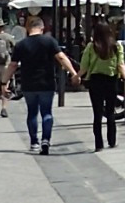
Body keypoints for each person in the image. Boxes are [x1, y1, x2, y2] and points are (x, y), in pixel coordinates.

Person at [12, 16, 78, 156]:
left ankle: (34, 142)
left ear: (28, 28)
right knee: (47, 112)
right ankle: (46, 140)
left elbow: (12, 65)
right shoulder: (49, 41)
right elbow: (61, 57)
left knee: (32, 113)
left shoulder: (21, 45)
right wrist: (73, 73)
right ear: (42, 28)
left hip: (28, 84)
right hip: (47, 83)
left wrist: (3, 81)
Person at [79, 20, 125, 152]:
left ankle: (98, 144)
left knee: (97, 113)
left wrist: (76, 75)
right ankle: (112, 141)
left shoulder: (91, 47)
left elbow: (84, 66)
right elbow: (120, 65)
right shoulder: (116, 46)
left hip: (95, 81)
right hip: (111, 81)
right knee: (110, 112)